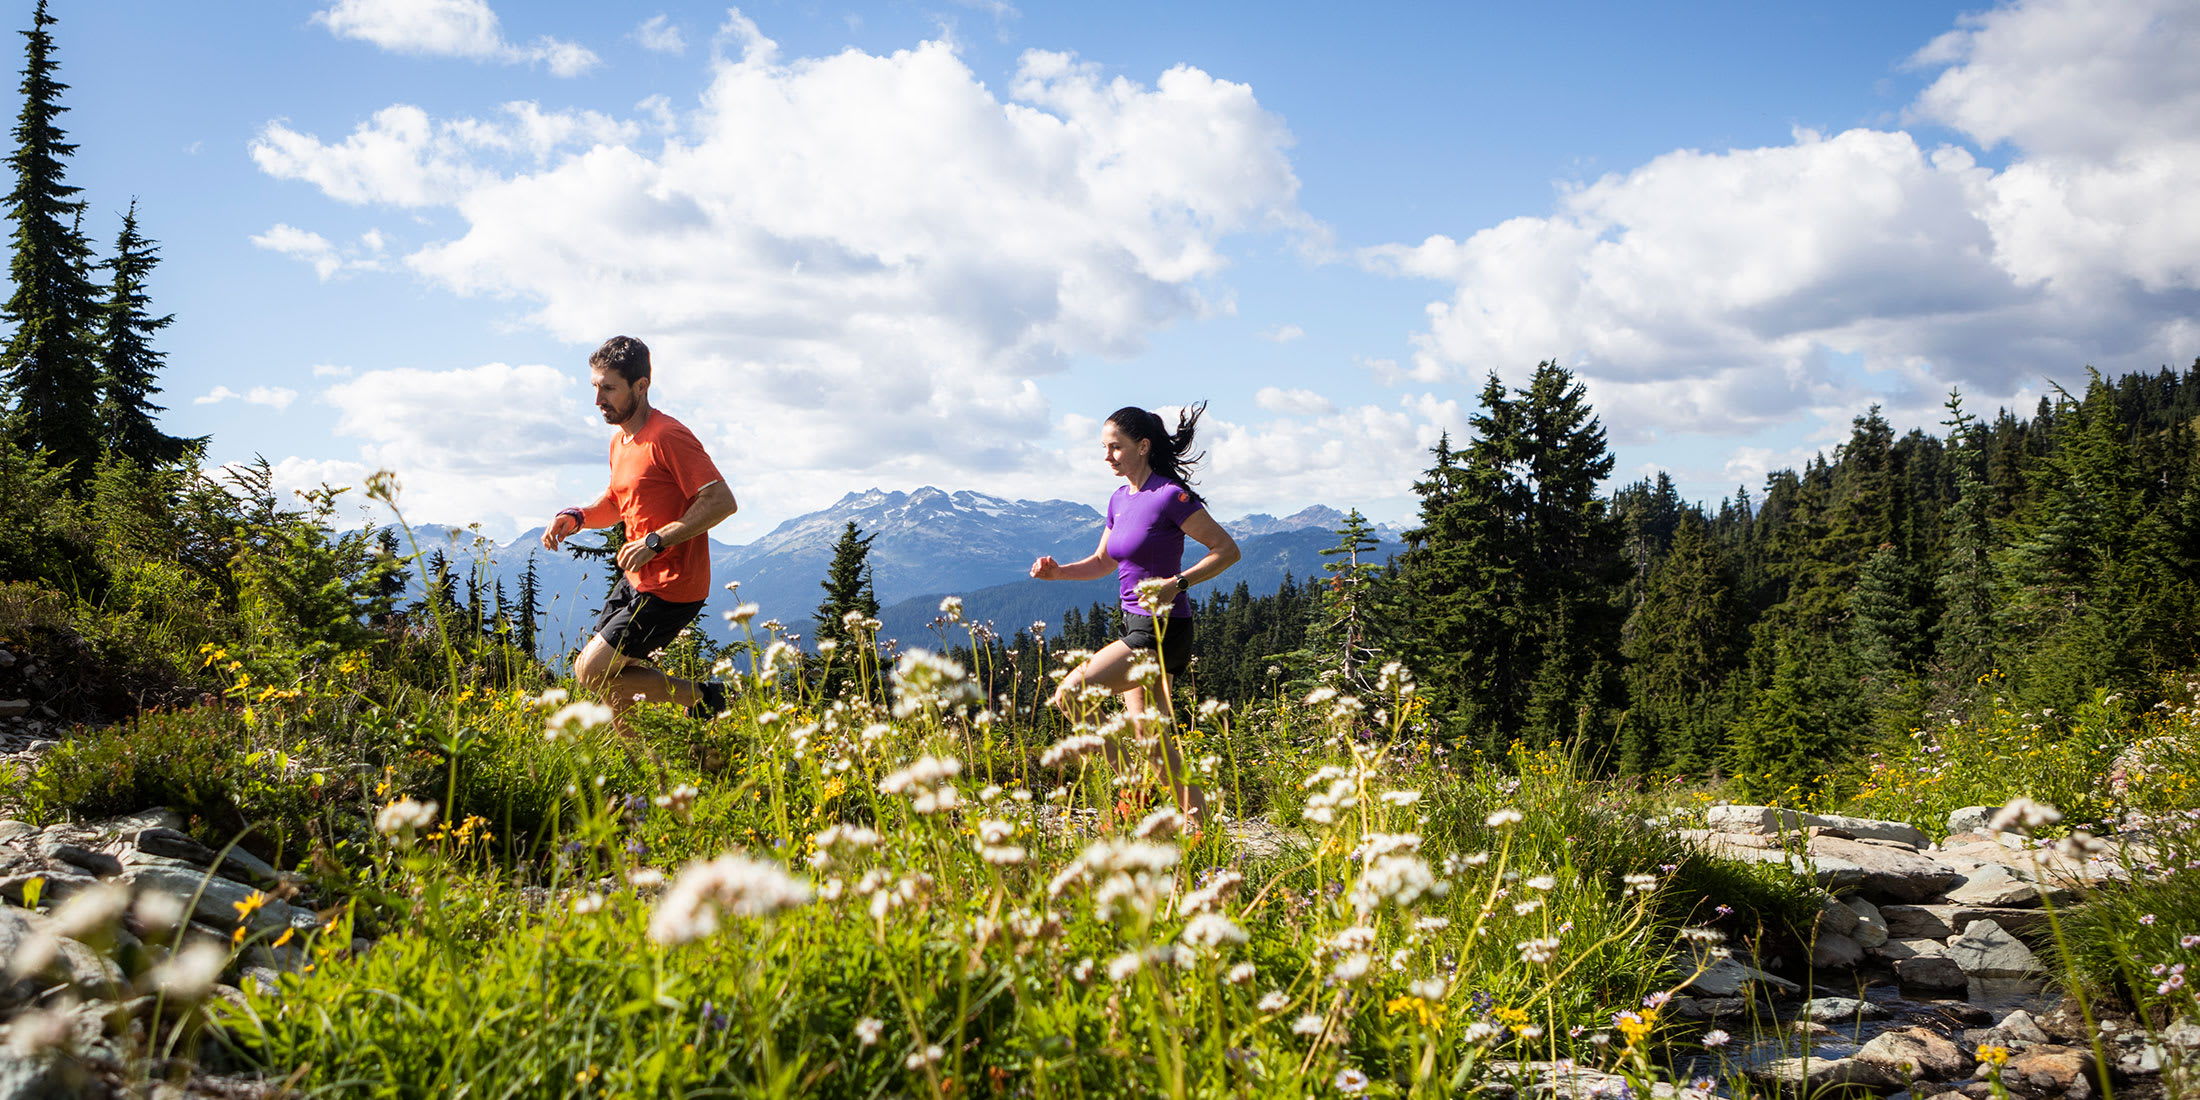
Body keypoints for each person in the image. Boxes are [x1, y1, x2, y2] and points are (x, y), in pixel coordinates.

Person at [1029, 402, 1240, 825]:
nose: (1107, 457)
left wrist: (1176, 584)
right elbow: (1104, 561)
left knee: (1071, 694)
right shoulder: (1120, 499)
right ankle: (1202, 832)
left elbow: (1227, 550)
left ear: (1142, 447)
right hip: (1136, 624)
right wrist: (1058, 573)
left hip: (1162, 629)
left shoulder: (1170, 498)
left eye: (1115, 448)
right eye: (1105, 448)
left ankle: (1134, 790)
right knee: (1155, 743)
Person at [541, 335, 738, 732]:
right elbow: (618, 502)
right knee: (607, 682)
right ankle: (646, 771)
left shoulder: (668, 436)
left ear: (641, 386)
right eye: (595, 387)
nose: (598, 400)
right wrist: (577, 516)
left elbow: (721, 500)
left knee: (591, 671)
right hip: (637, 579)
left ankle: (705, 696)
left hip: (672, 586)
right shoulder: (620, 441)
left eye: (609, 388)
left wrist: (656, 541)